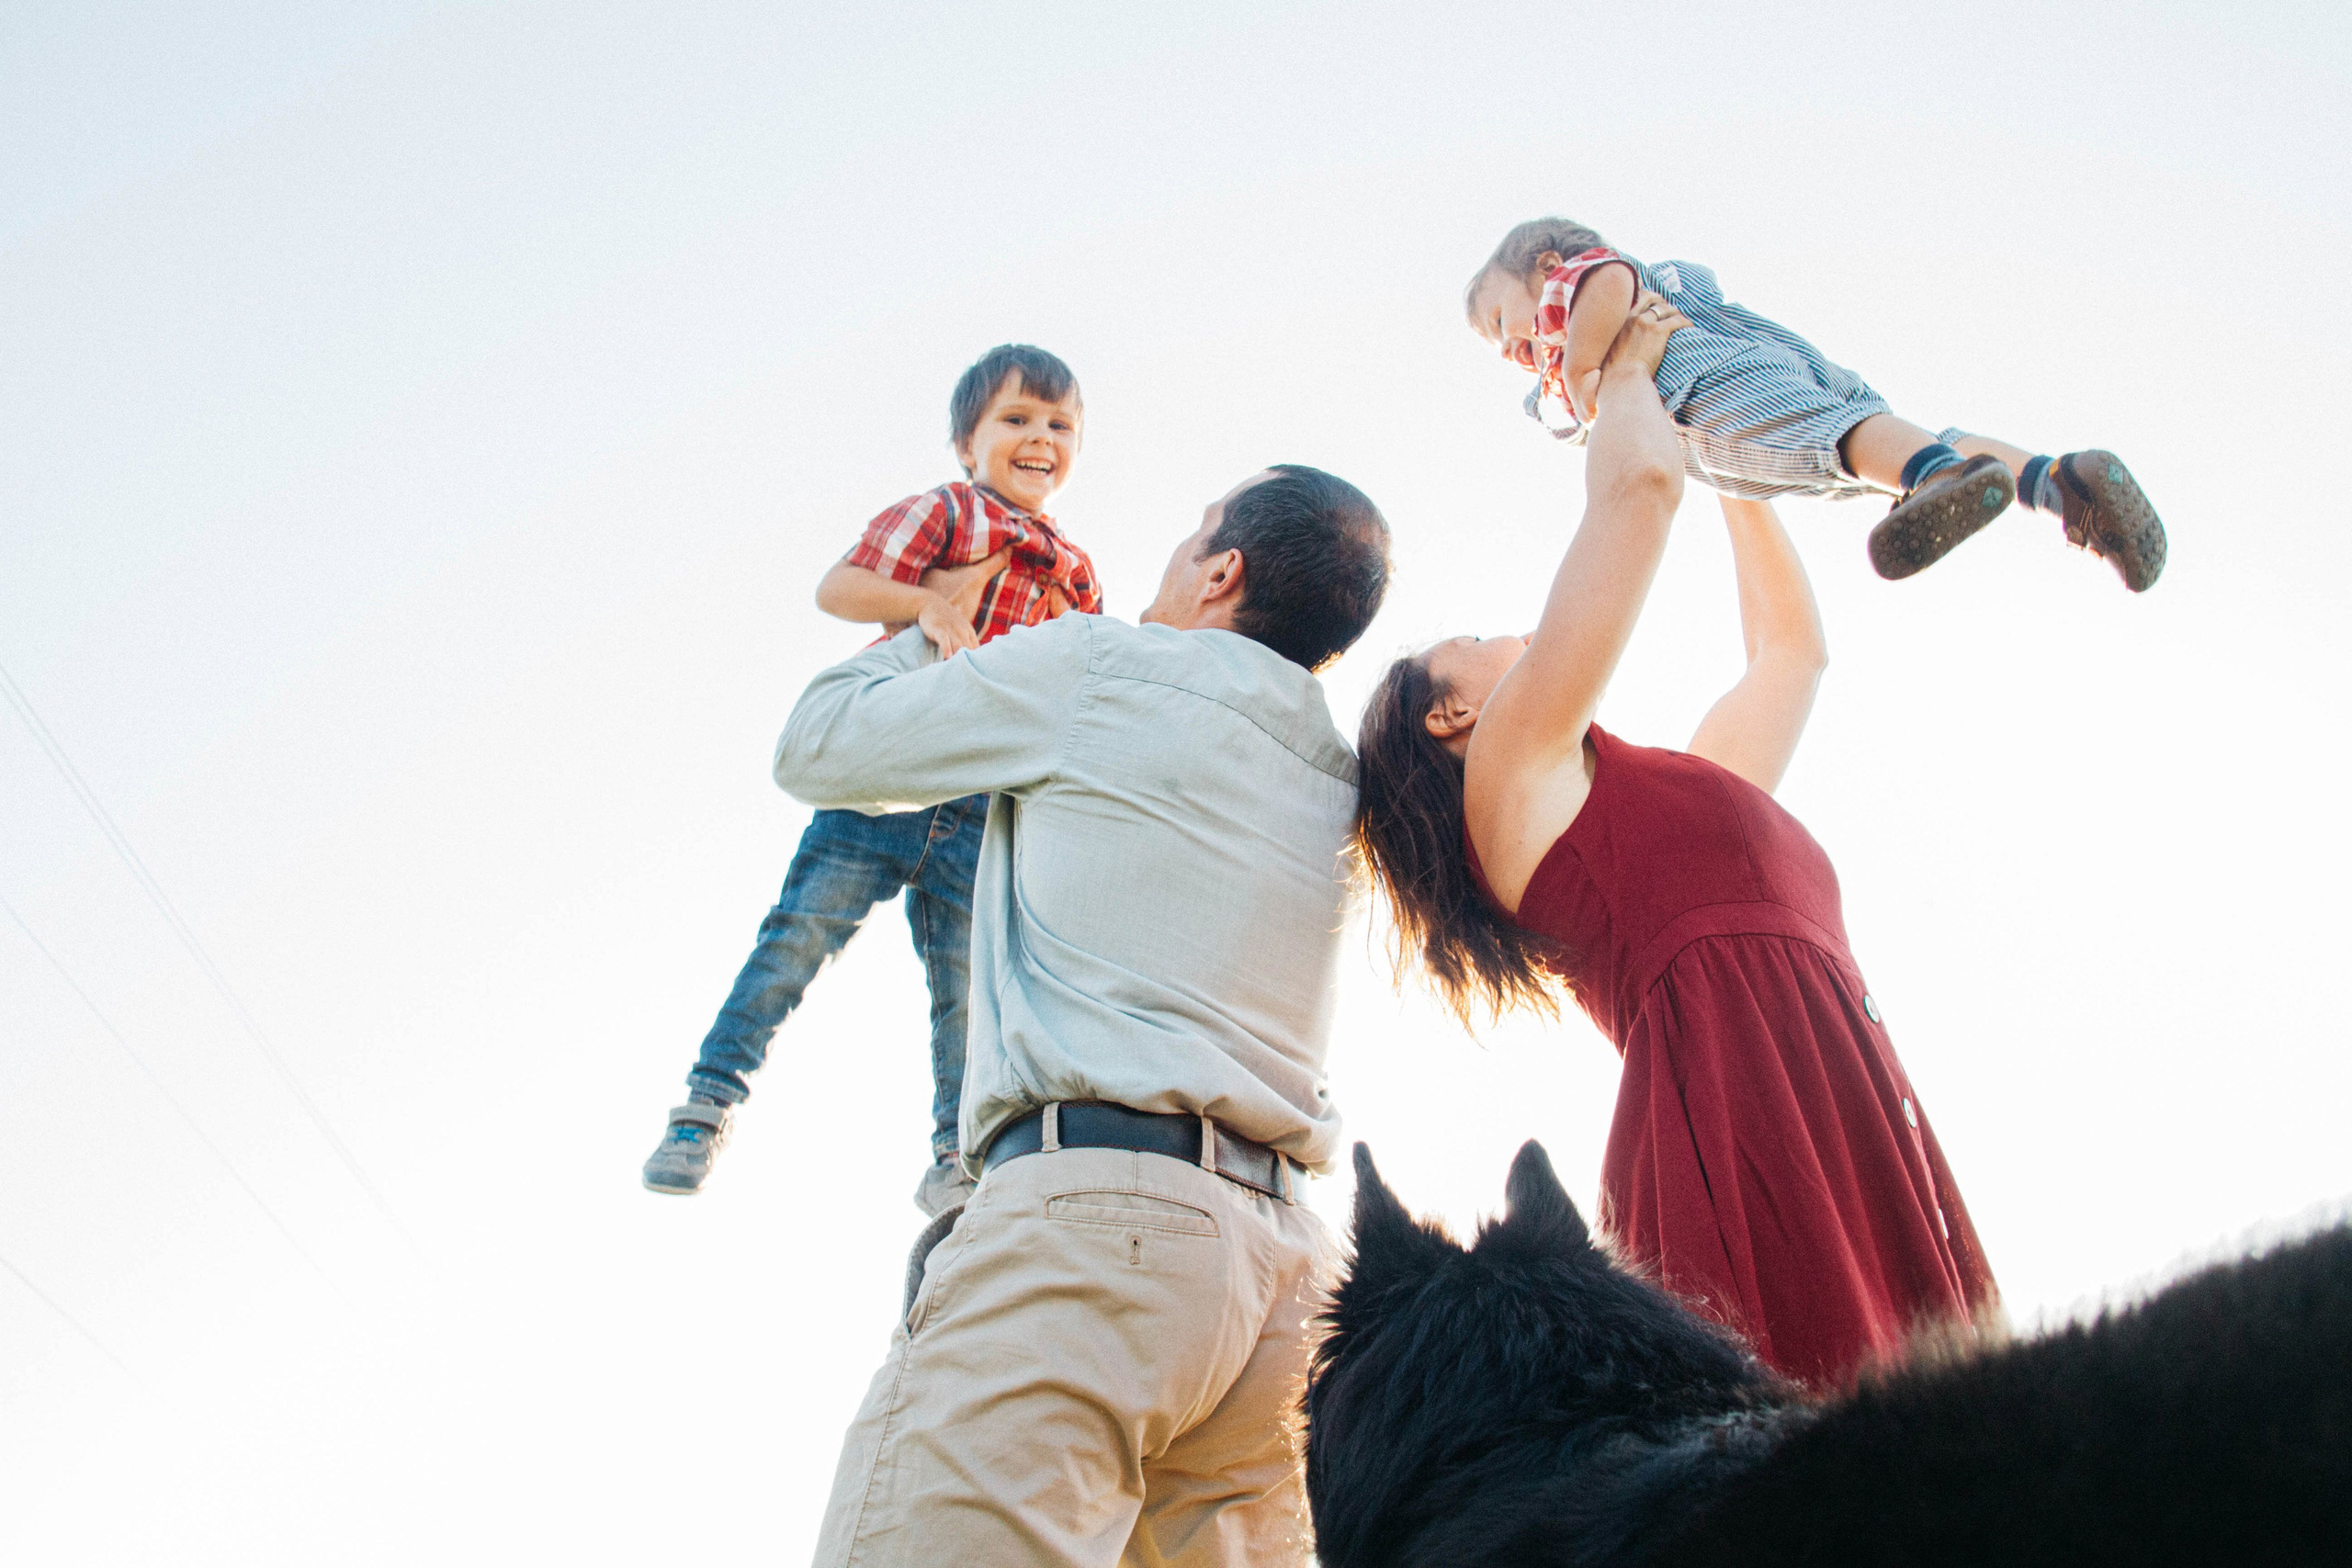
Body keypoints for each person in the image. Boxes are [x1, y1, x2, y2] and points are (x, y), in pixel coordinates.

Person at [1352, 292, 1996, 1390]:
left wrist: (1730, 458)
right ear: (1447, 717)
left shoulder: (1663, 788)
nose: (1502, 630)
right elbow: (1635, 491)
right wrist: (1628, 377)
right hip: (1736, 1110)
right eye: (1468, 642)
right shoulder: (1514, 780)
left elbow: (1789, 657)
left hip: (1842, 1094)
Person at [777, 464, 1389, 1566]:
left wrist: (946, 608)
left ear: (1221, 571)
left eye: (1190, 532)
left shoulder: (1100, 665)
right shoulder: (1341, 775)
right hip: (1284, 1295)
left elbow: (819, 746)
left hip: (1094, 1242)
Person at [641, 344, 1101, 1215]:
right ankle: (708, 1100)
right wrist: (928, 601)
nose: (1039, 437)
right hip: (885, 777)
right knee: (798, 934)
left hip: (978, 804)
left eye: (1060, 425)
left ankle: (952, 1159)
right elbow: (840, 587)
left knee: (968, 993)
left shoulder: (1076, 572)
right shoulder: (953, 513)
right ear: (968, 443)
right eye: (1016, 419)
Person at [1465, 216, 2166, 591]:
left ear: (1545, 270)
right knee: (1877, 436)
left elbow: (1603, 288)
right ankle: (2055, 481)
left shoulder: (1577, 297)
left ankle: (1937, 475)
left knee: (1828, 440)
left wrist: (1587, 375)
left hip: (1700, 379)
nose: (1508, 350)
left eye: (1500, 323)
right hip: (1776, 354)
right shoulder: (1639, 289)